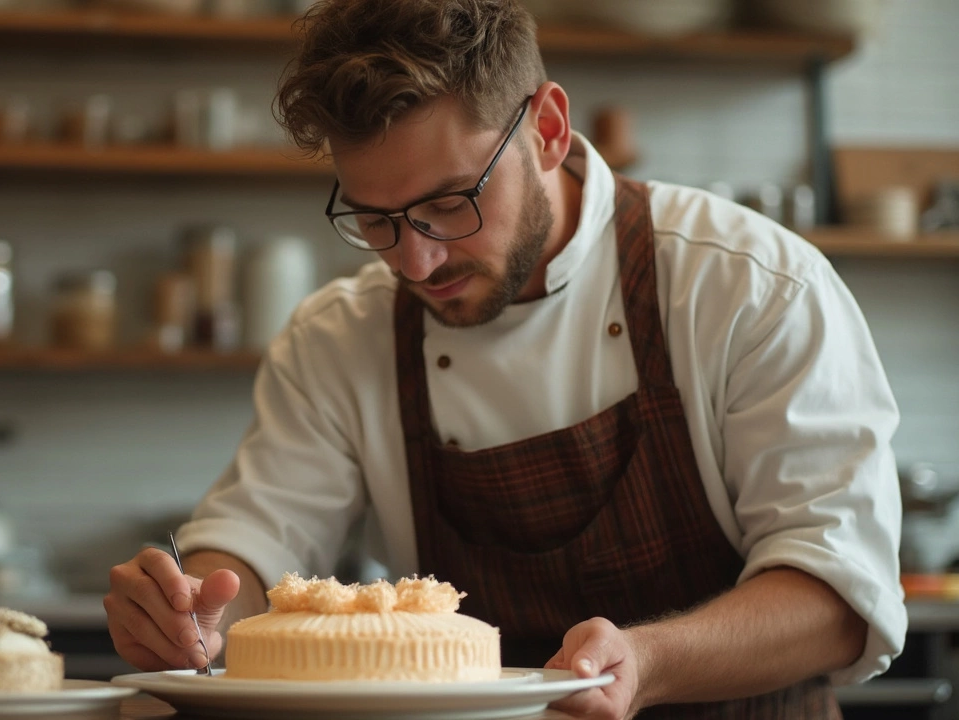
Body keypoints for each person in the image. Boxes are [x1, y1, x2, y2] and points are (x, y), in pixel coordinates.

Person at [105, 0, 906, 717]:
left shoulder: (745, 283)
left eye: (450, 204)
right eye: (376, 220)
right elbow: (254, 543)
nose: (415, 263)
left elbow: (838, 599)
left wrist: (651, 661)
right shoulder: (340, 337)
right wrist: (196, 610)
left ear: (548, 131)